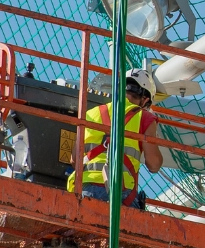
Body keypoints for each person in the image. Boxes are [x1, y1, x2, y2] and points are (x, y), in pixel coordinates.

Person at [66, 69, 164, 209]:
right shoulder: (145, 117)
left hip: (83, 188)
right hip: (119, 191)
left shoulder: (90, 114)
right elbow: (153, 164)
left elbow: (74, 160)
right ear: (145, 99)